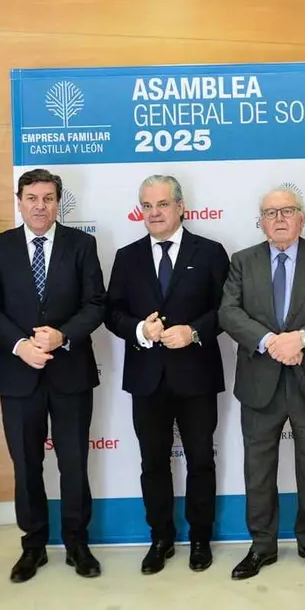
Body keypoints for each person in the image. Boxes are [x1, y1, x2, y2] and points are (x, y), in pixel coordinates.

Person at [0, 168, 106, 583]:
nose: (39, 205)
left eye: (48, 198)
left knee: (73, 463)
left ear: (58, 202)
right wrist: (21, 346)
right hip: (19, 377)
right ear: (19, 200)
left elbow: (96, 305)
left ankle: (76, 543)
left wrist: (61, 336)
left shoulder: (82, 245)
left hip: (70, 372)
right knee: (27, 465)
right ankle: (33, 546)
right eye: (31, 197)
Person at [218, 186, 305, 579]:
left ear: (301, 218)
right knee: (258, 469)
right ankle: (262, 546)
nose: (278, 218)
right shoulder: (242, 261)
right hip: (261, 380)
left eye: (287, 211)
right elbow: (229, 312)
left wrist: (302, 339)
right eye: (270, 212)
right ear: (260, 221)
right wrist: (271, 342)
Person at [105, 175, 229, 574]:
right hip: (147, 378)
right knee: (152, 463)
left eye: (161, 204)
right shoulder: (127, 256)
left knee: (200, 461)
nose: (154, 213)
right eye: (147, 206)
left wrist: (193, 332)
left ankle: (199, 538)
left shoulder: (210, 252)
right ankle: (160, 537)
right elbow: (111, 313)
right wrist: (140, 331)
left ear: (180, 206)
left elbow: (227, 310)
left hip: (196, 376)